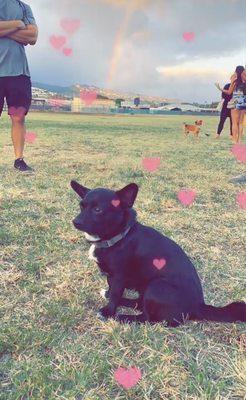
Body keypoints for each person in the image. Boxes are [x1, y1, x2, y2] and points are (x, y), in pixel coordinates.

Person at [0, 0, 38, 173]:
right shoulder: (21, 15)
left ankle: (19, 160)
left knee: (18, 117)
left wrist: (3, 30)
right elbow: (25, 33)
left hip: (19, 74)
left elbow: (32, 37)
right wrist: (18, 24)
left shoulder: (25, 7)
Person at [216, 66, 246, 143]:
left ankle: (234, 140)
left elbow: (229, 92)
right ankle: (239, 140)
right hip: (243, 101)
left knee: (234, 122)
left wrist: (221, 89)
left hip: (235, 101)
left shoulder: (235, 81)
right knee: (241, 123)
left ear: (236, 71)